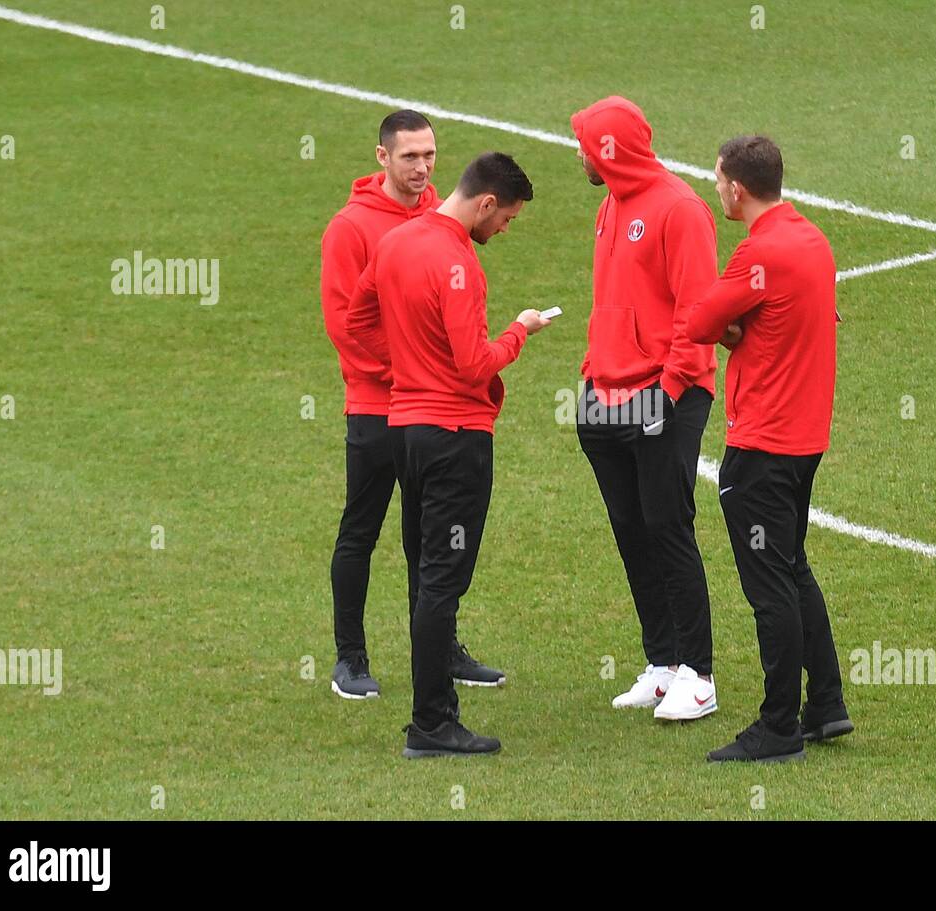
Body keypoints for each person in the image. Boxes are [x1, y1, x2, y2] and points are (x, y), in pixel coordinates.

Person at [346, 152, 550, 757]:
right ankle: (432, 724)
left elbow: (358, 320)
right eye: (506, 219)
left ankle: (432, 717)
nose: (503, 231)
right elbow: (471, 366)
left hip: (405, 431)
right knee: (439, 581)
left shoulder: (395, 242)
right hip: (455, 438)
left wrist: (407, 364)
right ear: (485, 203)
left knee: (427, 572)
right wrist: (519, 331)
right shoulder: (459, 262)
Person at [320, 110, 505, 700]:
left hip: (429, 411)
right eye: (409, 157)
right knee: (361, 529)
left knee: (430, 535)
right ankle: (350, 658)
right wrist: (411, 370)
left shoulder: (439, 218)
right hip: (379, 408)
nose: (423, 167)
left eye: (429, 155)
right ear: (382, 158)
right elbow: (346, 327)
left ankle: (439, 650)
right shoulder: (349, 230)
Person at [685, 135, 853, 763]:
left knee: (768, 588)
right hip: (805, 438)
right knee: (791, 567)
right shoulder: (811, 239)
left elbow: (699, 321)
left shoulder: (759, 254)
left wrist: (737, 330)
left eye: (718, 179)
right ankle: (826, 705)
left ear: (737, 187)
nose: (716, 188)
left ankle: (779, 726)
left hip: (761, 444)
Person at [569, 96, 721, 721]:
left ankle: (699, 674)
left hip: (665, 395)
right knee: (631, 531)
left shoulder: (679, 209)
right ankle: (662, 664)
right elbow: (611, 301)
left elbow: (697, 310)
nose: (578, 154)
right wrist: (591, 373)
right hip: (606, 394)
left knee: (668, 526)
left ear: (609, 150)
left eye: (584, 144)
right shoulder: (610, 205)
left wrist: (671, 386)